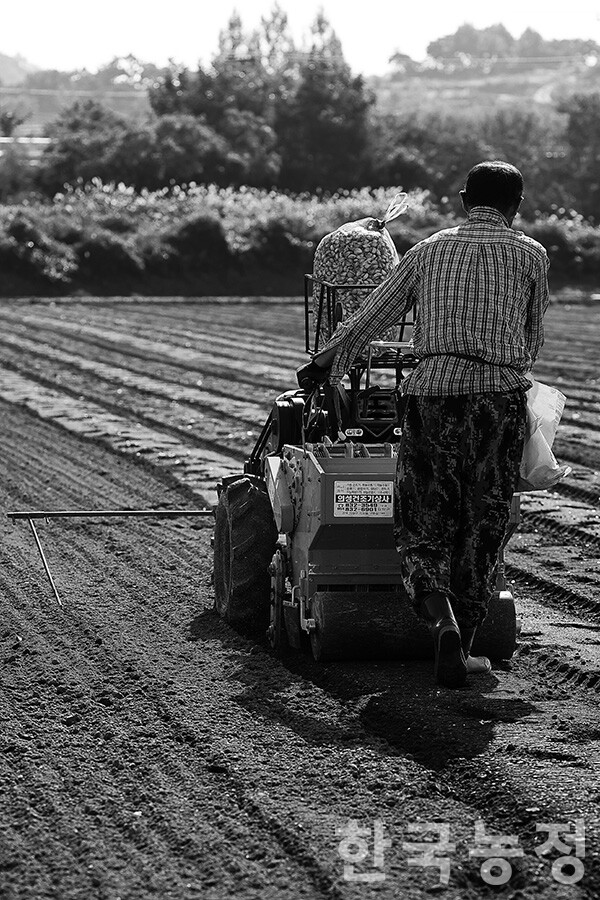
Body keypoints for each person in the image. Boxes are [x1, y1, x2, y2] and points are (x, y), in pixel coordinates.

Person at [300, 160, 550, 688]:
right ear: (516, 205)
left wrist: (325, 363)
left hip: (432, 397)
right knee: (483, 519)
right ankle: (467, 641)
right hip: (497, 401)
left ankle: (443, 622)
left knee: (424, 516)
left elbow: (371, 316)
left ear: (463, 200)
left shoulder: (427, 251)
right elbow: (531, 340)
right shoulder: (532, 255)